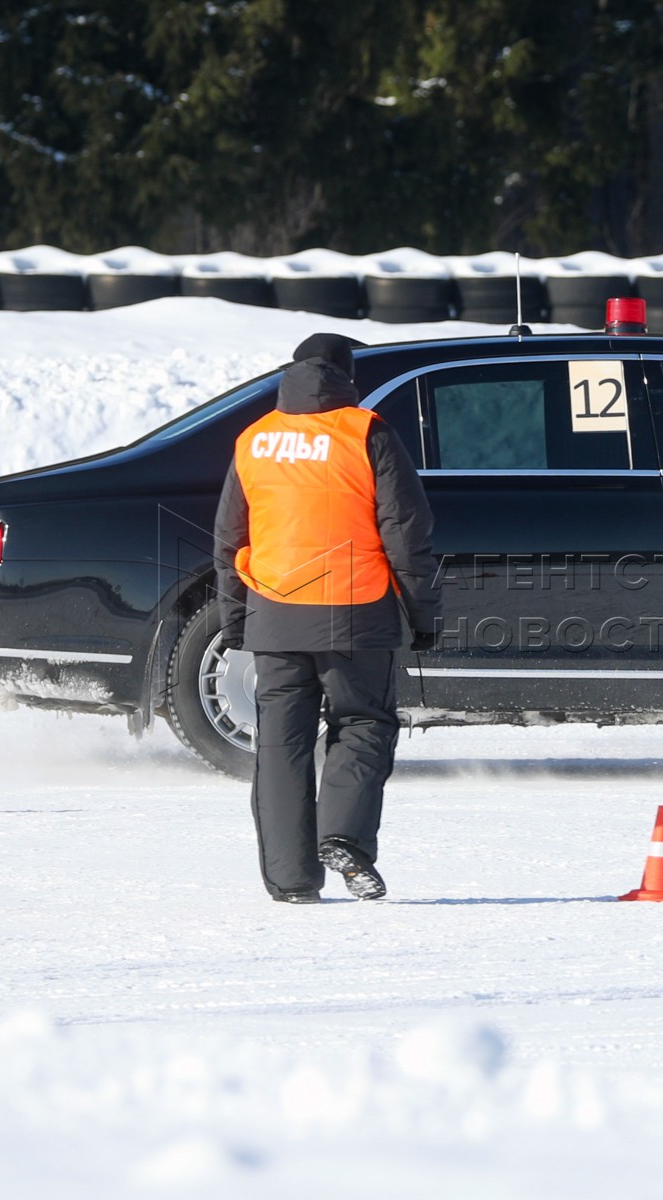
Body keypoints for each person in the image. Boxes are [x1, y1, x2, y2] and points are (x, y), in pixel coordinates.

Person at [213, 333, 442, 904]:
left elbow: (228, 537)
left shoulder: (255, 439)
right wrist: (422, 613)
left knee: (281, 745)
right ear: (348, 377)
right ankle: (343, 837)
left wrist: (236, 620)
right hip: (354, 610)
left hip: (273, 612)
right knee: (363, 722)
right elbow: (405, 533)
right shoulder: (367, 434)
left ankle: (291, 880)